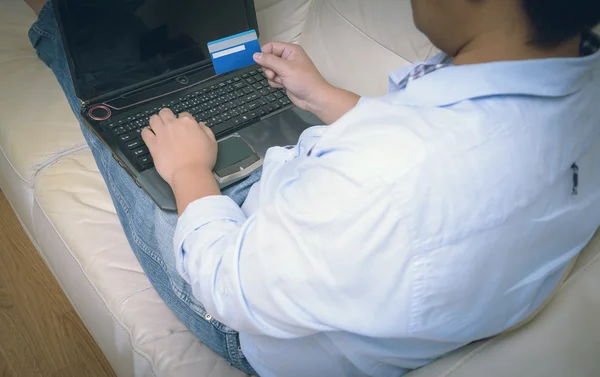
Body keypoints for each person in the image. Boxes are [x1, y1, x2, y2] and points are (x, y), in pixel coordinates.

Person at [26, 0, 600, 376]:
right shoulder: (580, 77)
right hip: (334, 235)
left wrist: (189, 173)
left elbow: (228, 288)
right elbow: (435, 143)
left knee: (79, 47)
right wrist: (325, 96)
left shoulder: (395, 171)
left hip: (248, 301)